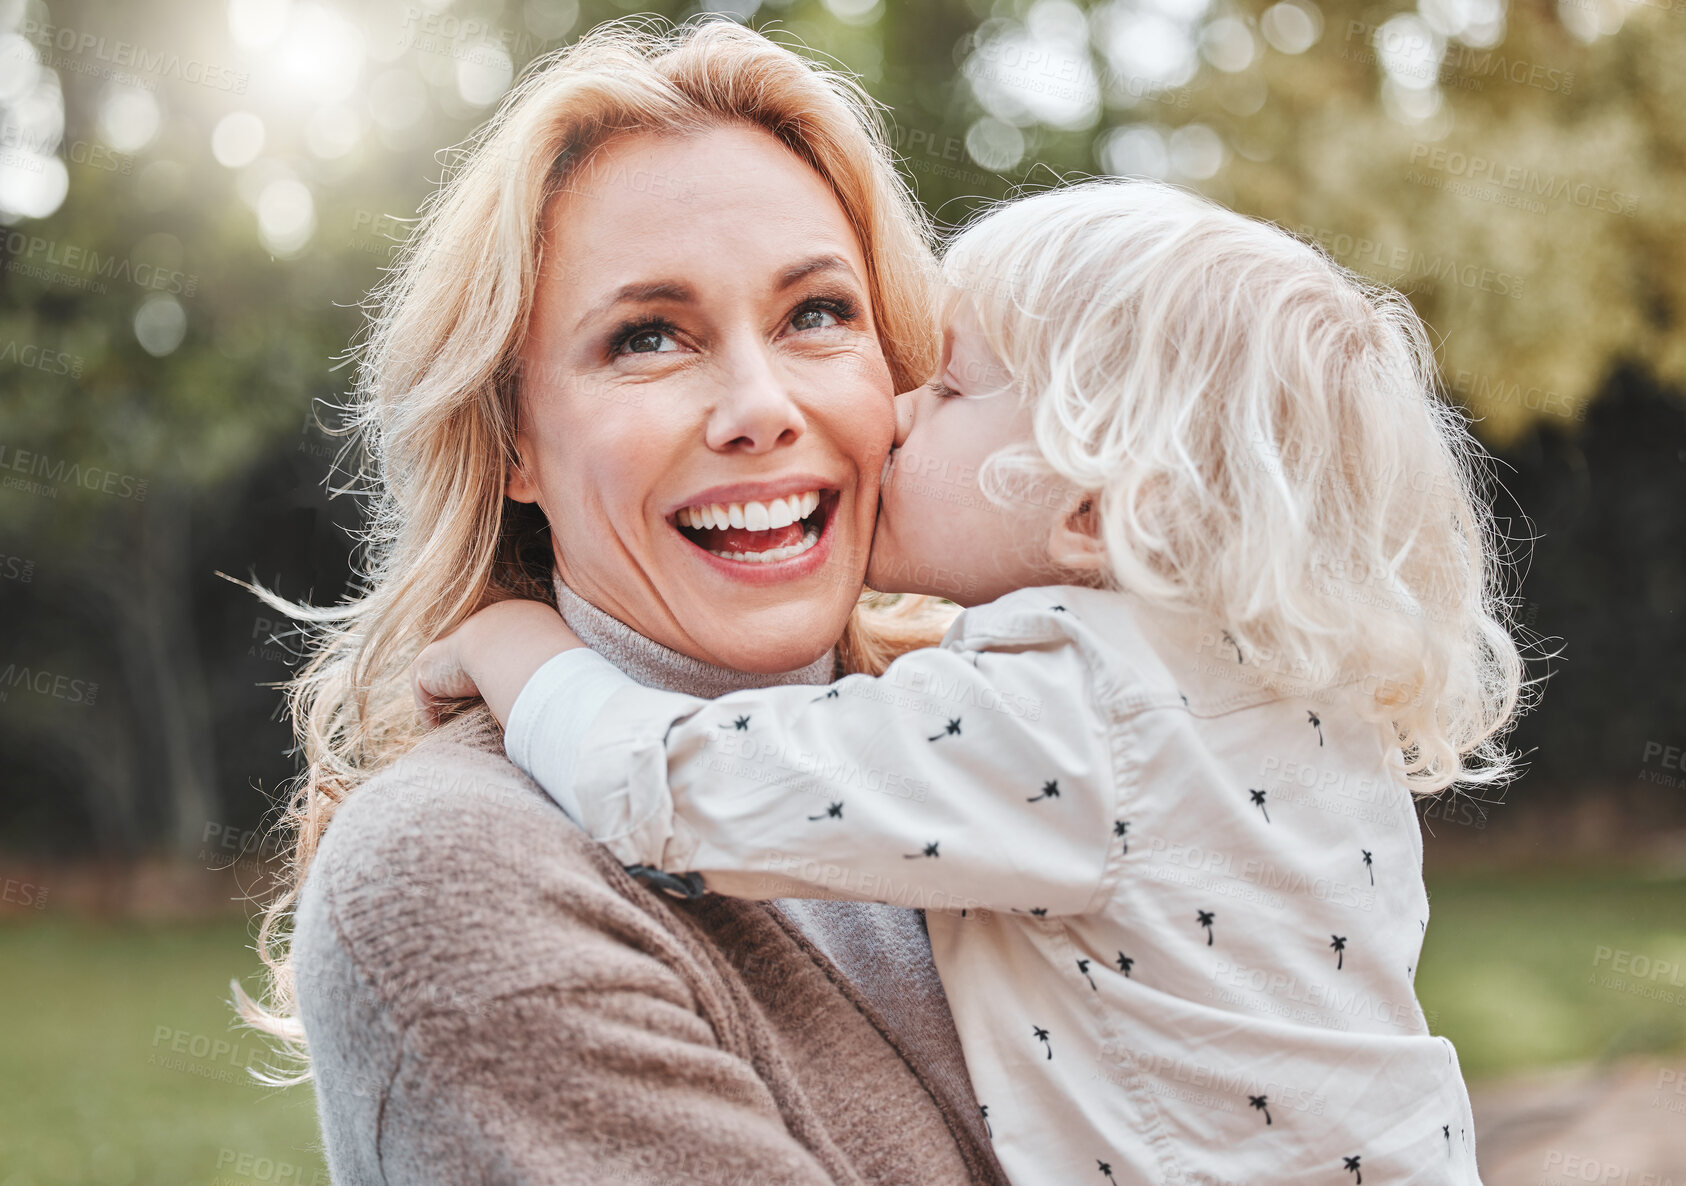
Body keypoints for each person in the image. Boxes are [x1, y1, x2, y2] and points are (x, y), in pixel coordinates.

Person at [416, 181, 1526, 1184]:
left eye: (949, 386)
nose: (894, 414)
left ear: (1092, 509)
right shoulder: (1292, 700)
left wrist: (508, 640)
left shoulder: (1069, 712)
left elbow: (664, 786)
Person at [241, 19, 1011, 1183]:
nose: (759, 405)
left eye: (816, 314)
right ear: (513, 443)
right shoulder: (458, 871)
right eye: (648, 337)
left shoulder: (1017, 727)